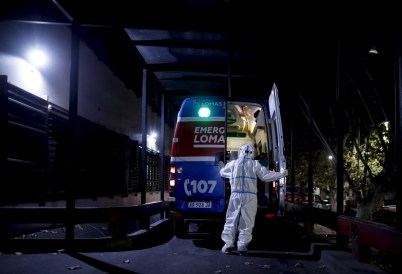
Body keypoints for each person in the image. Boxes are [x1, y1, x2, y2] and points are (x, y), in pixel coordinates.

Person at [218, 143, 288, 255]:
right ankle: (242, 247)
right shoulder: (255, 164)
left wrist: (221, 165)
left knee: (231, 220)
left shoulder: (233, 164)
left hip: (235, 195)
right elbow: (265, 176)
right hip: (250, 196)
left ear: (240, 151)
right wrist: (281, 174)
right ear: (252, 153)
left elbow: (222, 172)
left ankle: (228, 246)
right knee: (247, 221)